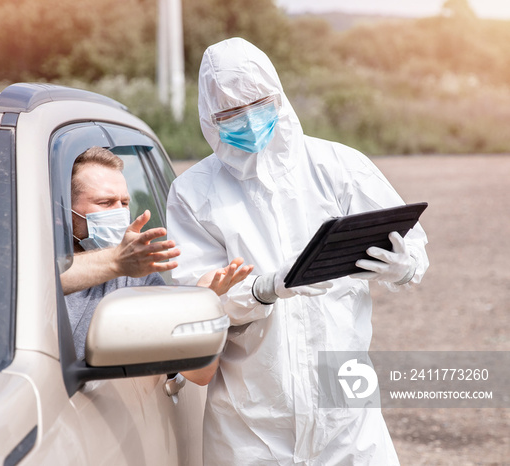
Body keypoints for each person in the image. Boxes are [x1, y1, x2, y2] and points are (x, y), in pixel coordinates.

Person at [166, 38, 429, 465]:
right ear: (210, 118)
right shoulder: (194, 194)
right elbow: (195, 302)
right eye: (231, 113)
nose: (249, 121)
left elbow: (414, 245)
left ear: (278, 96)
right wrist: (262, 290)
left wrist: (401, 266)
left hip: (346, 409)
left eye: (258, 103)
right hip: (252, 419)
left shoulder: (339, 166)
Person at [62, 146, 252, 360]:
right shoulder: (30, 265)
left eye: (124, 203)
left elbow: (198, 375)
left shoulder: (136, 278)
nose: (119, 212)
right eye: (105, 203)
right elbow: (37, 282)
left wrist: (200, 301)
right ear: (63, 211)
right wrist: (115, 262)